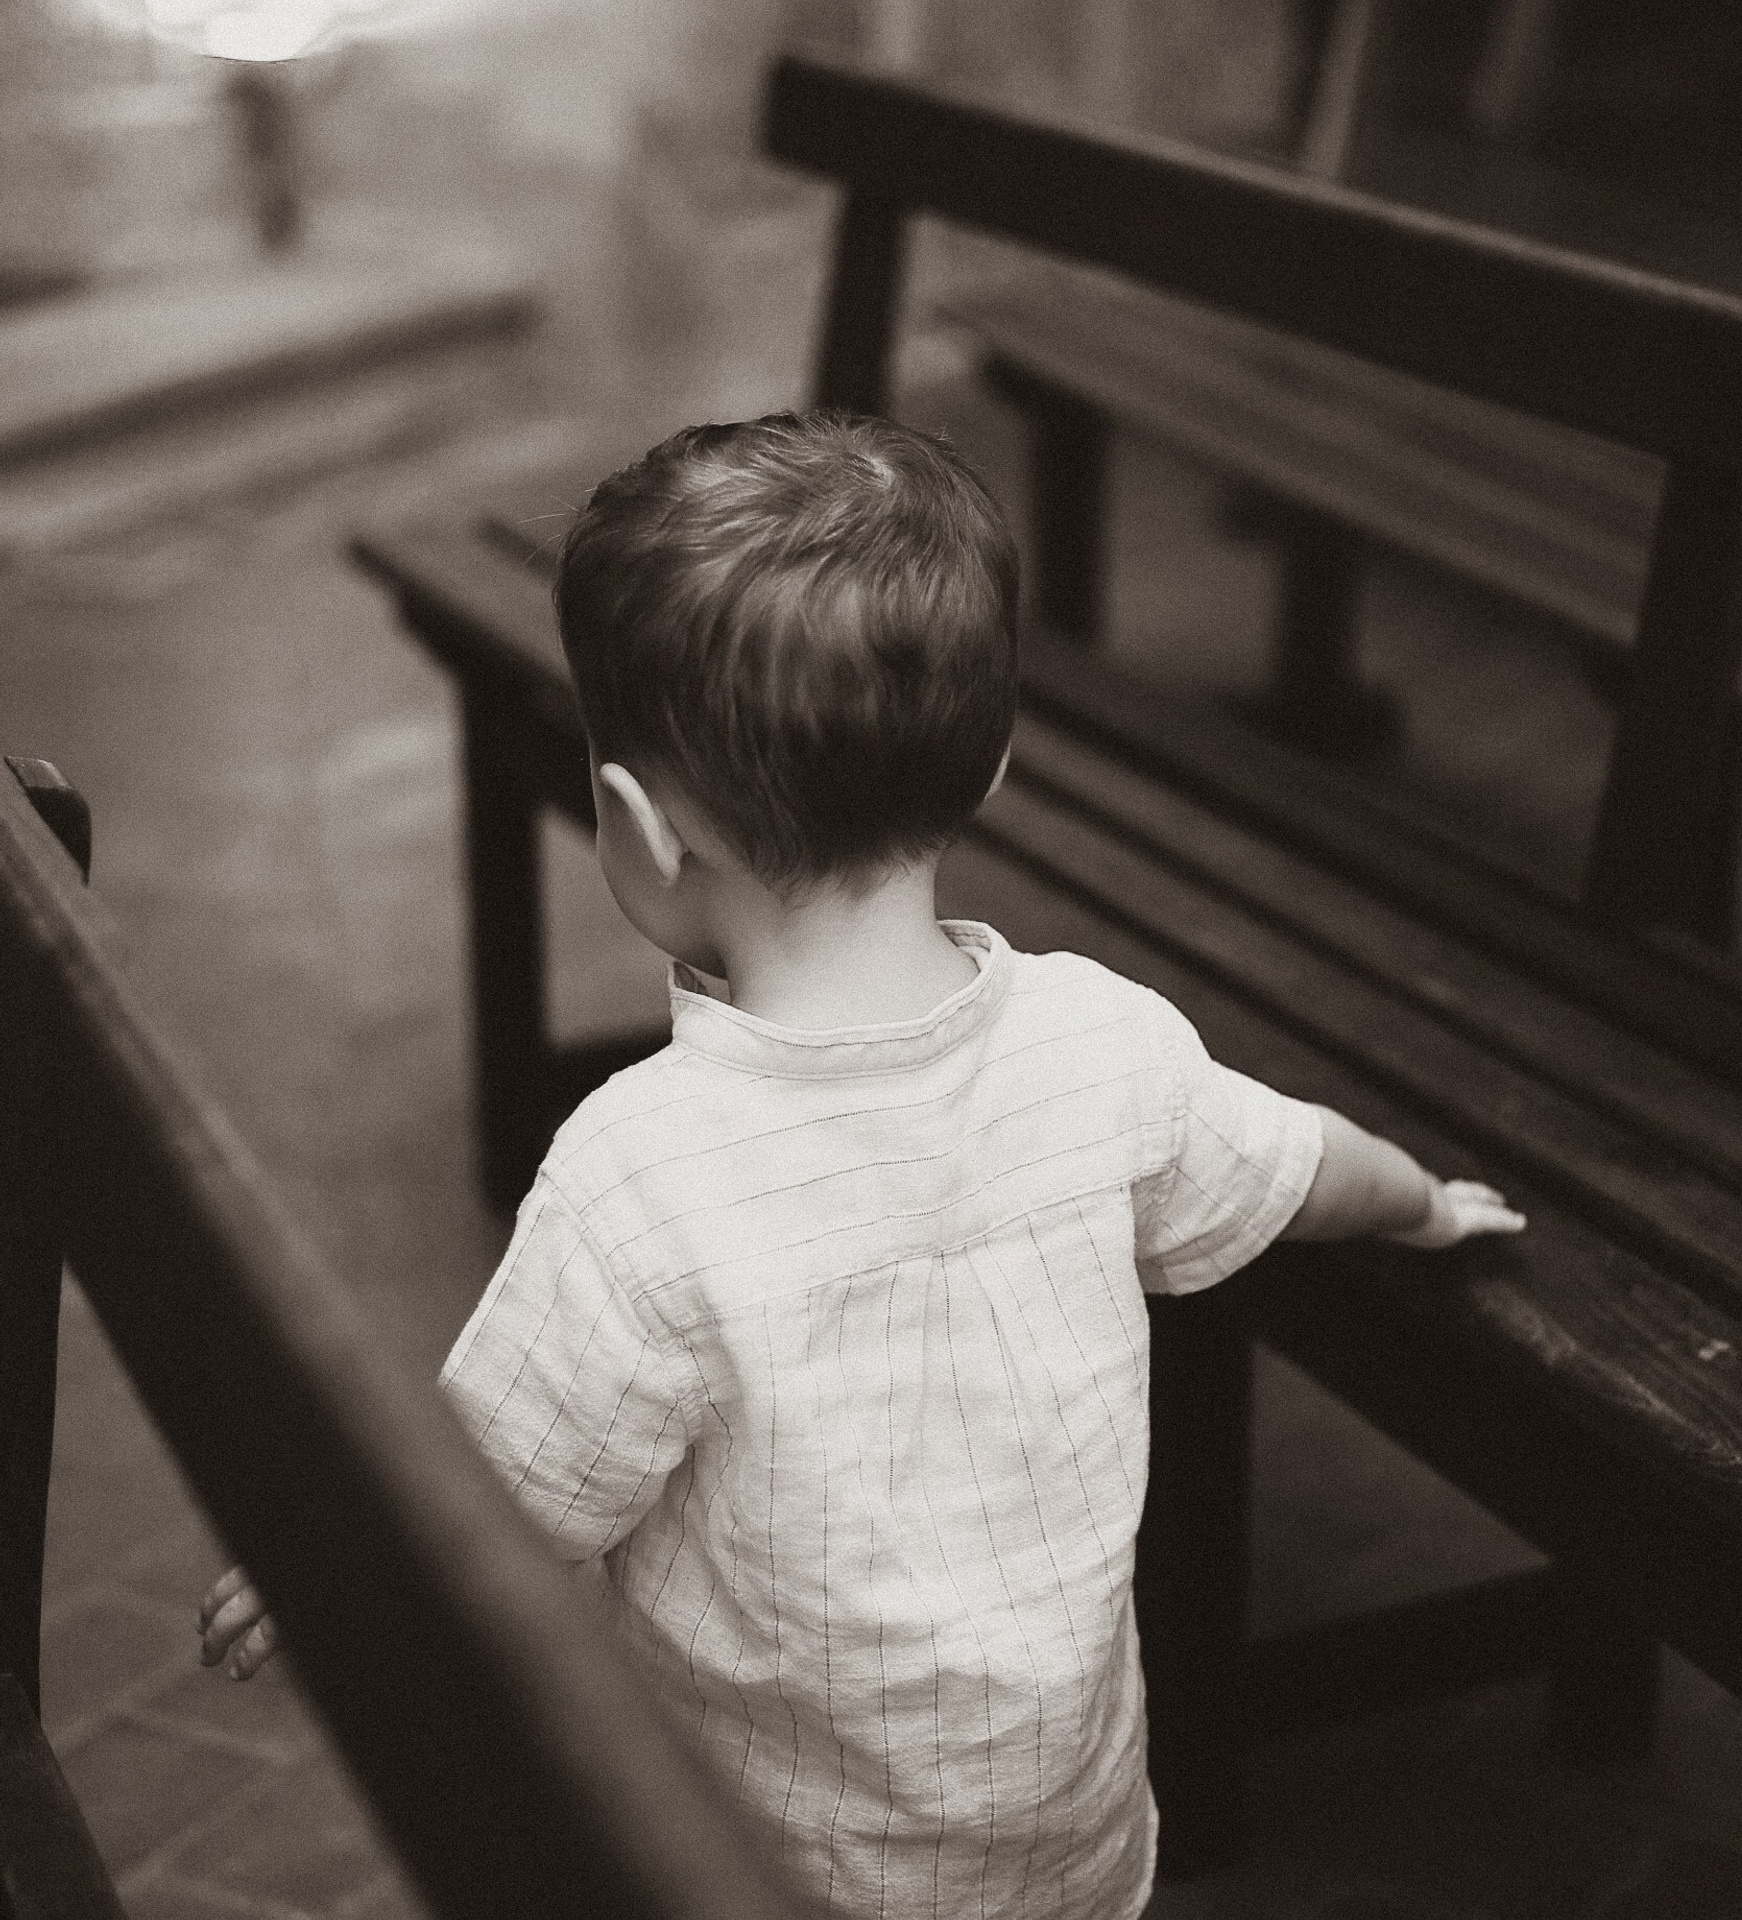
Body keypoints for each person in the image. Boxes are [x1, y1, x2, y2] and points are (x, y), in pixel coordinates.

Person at [199, 410, 1523, 1917]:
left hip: (773, 1865)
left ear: (634, 826)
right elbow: (1298, 1165)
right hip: (1064, 1844)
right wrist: (1424, 1199)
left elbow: (500, 1492)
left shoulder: (646, 1172)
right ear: (996, 757)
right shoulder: (1105, 1044)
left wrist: (327, 1560)